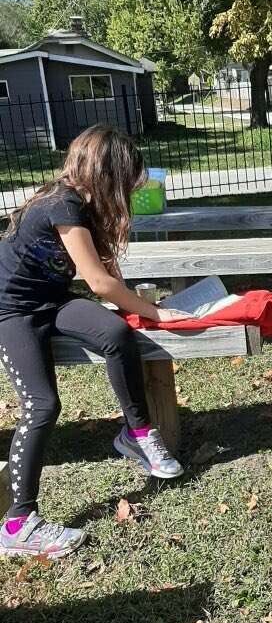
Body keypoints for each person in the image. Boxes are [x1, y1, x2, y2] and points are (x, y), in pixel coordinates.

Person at [0, 125, 196, 559]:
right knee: (41, 405)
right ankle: (17, 524)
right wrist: (156, 312)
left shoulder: (84, 204)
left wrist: (136, 309)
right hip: (12, 311)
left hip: (52, 301)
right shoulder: (63, 203)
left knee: (116, 332)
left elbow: (107, 271)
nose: (131, 189)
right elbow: (99, 283)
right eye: (128, 179)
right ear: (109, 173)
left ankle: (136, 433)